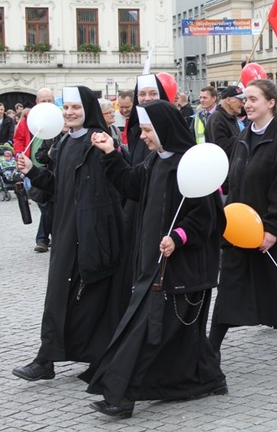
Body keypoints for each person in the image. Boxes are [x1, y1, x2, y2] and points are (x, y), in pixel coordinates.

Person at [84, 100, 227, 419]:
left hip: (180, 268)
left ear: (163, 129)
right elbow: (131, 185)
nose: (143, 136)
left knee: (151, 331)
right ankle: (207, 378)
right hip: (152, 264)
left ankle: (122, 396)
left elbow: (206, 217)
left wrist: (178, 237)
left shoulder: (190, 165)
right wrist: (111, 153)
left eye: (147, 130)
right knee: (179, 332)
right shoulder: (155, 161)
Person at [12, 86, 125, 382]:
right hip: (65, 230)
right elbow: (57, 186)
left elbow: (115, 185)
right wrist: (32, 172)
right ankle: (46, 358)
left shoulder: (98, 142)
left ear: (87, 109)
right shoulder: (62, 144)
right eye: (67, 108)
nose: (70, 113)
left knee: (93, 298)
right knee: (57, 296)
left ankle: (98, 358)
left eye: (76, 108)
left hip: (93, 233)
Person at [208, 79, 277, 359]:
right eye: (245, 99)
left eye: (253, 99)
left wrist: (272, 228)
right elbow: (235, 180)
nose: (247, 104)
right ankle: (211, 348)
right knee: (230, 285)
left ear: (271, 103)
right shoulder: (244, 135)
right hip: (240, 228)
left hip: (274, 229)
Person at [12, 89, 56, 252]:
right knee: (43, 203)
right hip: (32, 166)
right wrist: (20, 154)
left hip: (49, 167)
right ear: (37, 102)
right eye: (43, 101)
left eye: (49, 101)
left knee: (47, 204)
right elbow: (18, 138)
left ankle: (43, 239)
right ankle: (47, 236)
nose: (46, 104)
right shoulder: (28, 119)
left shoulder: (58, 118)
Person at [207, 85, 245, 195]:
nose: (242, 104)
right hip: (223, 180)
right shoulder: (217, 118)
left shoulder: (230, 118)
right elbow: (221, 147)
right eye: (240, 100)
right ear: (228, 100)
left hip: (231, 176)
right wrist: (244, 136)